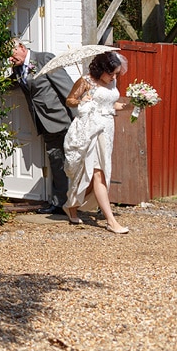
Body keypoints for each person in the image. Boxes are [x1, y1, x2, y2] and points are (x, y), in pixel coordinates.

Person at [62, 51, 132, 234]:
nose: (114, 77)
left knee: (95, 173)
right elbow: (69, 100)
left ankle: (71, 205)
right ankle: (111, 221)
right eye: (111, 73)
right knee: (97, 172)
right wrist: (81, 100)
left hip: (107, 129)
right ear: (101, 69)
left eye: (116, 73)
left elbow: (111, 105)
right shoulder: (86, 81)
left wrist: (131, 106)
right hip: (90, 129)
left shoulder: (112, 82)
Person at [9, 40, 74, 215]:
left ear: (22, 48)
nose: (10, 59)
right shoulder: (17, 69)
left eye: (12, 53)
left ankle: (86, 201)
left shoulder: (44, 58)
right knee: (56, 161)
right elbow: (14, 84)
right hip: (44, 123)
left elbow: (67, 88)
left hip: (62, 119)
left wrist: (79, 117)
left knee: (74, 161)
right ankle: (60, 204)